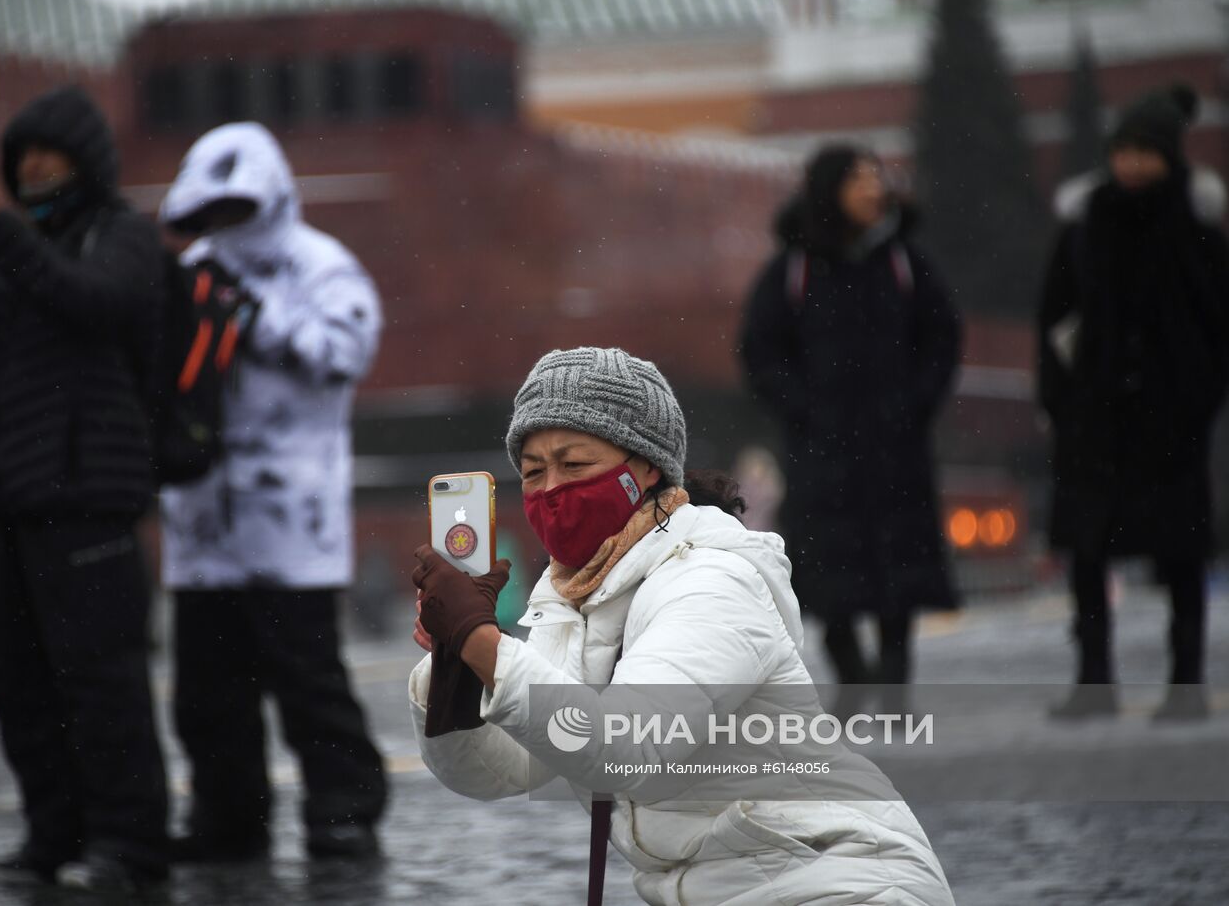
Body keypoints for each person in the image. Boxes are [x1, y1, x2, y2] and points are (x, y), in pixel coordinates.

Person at [408, 347, 954, 905]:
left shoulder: (711, 579)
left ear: (646, 468)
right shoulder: (574, 599)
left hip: (842, 881)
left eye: (574, 465)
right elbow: (500, 770)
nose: (550, 490)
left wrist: (480, 638)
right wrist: (456, 667)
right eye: (532, 471)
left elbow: (625, 745)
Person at [0, 85, 169, 893]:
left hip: (89, 496)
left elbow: (94, 302)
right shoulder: (9, 245)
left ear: (85, 160)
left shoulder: (120, 235)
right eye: (19, 155)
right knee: (17, 681)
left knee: (102, 683)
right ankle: (53, 833)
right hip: (15, 500)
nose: (29, 168)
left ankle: (130, 843)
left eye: (47, 153)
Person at [158, 122, 388, 860]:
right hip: (202, 518)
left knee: (308, 680)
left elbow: (346, 352)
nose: (224, 227)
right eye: (212, 213)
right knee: (208, 693)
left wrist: (255, 321)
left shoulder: (322, 266)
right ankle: (227, 818)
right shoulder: (191, 270)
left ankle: (344, 808)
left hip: (294, 519)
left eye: (236, 209)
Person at [739, 145, 962, 702]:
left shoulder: (904, 261)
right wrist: (805, 409)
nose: (872, 189)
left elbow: (942, 338)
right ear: (828, 191)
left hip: (895, 445)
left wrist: (914, 404)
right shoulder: (793, 269)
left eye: (875, 177)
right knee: (825, 571)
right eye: (858, 179)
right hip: (823, 450)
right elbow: (760, 351)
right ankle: (851, 676)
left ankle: (895, 682)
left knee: (899, 566)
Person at [1037, 84, 1229, 720]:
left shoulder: (1195, 228)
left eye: (1147, 151)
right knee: (1088, 554)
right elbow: (1054, 318)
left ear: (1169, 157)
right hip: (1095, 420)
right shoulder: (1085, 225)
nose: (1134, 164)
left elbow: (1216, 323)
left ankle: (1186, 684)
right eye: (1124, 151)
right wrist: (1061, 400)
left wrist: (1197, 396)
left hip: (1172, 421)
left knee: (1181, 556)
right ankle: (1094, 683)